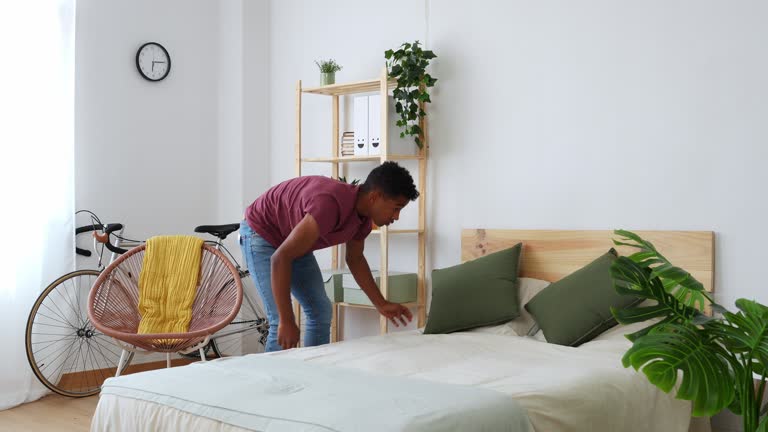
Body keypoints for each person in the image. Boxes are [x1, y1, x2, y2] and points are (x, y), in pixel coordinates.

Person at [239, 161, 418, 352]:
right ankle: (273, 381)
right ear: (375, 197)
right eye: (396, 208)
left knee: (320, 311)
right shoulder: (329, 204)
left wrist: (381, 304)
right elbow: (280, 258)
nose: (397, 216)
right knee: (279, 322)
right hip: (262, 234)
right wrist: (287, 320)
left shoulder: (362, 221)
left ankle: (313, 374)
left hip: (293, 241)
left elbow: (355, 259)